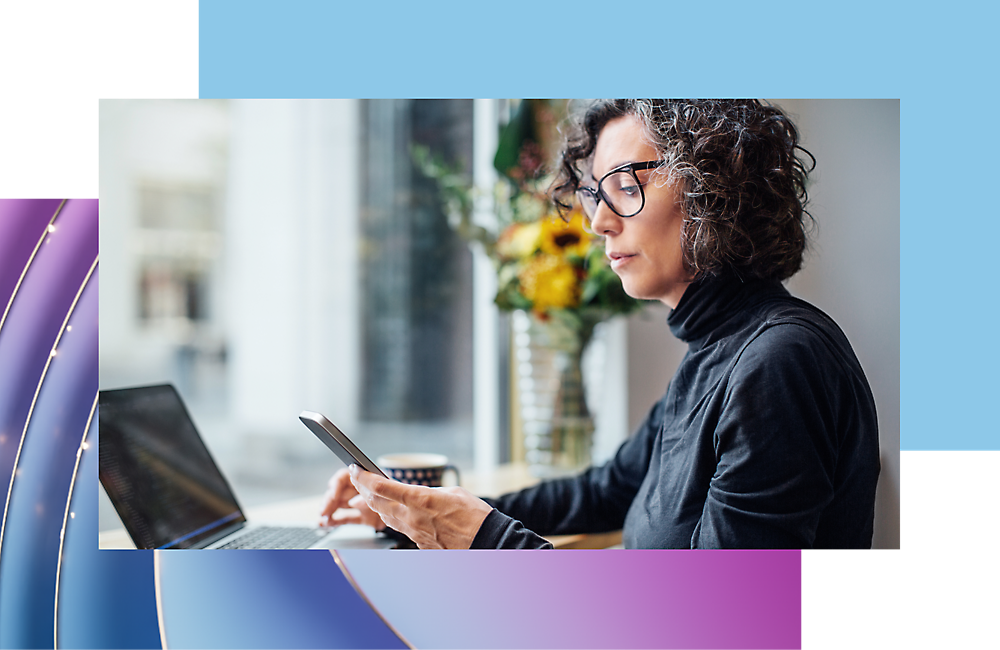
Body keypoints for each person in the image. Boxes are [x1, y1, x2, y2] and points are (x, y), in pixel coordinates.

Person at [319, 99, 881, 549]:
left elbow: (723, 621)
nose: (598, 222)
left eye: (626, 187)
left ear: (715, 190)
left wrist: (487, 540)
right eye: (596, 193)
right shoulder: (719, 351)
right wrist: (421, 512)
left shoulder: (778, 362)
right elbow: (606, 491)